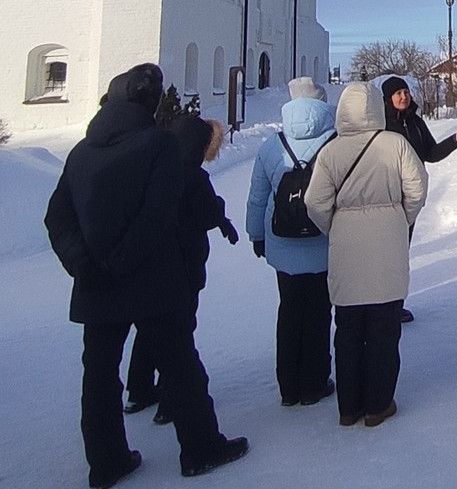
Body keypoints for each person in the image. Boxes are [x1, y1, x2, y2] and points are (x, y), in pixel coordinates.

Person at [44, 63, 247, 489]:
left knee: (99, 375)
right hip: (152, 280)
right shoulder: (157, 145)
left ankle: (106, 461)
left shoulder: (82, 152)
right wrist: (119, 263)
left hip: (96, 285)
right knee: (178, 365)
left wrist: (83, 263)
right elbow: (157, 213)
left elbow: (58, 216)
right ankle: (200, 448)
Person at [305, 81, 427, 428]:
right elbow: (416, 189)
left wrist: (336, 226)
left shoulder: (330, 151)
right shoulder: (395, 144)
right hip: (388, 237)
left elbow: (315, 203)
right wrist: (401, 219)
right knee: (384, 327)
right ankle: (378, 404)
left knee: (347, 327)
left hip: (345, 242)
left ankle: (349, 406)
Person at [126, 112, 238, 420]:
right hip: (184, 263)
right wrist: (220, 214)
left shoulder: (154, 169)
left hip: (152, 262)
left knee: (150, 326)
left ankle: (139, 389)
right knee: (179, 331)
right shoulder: (193, 176)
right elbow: (204, 214)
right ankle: (170, 402)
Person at [246, 77, 337, 407]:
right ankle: (314, 383)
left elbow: (258, 196)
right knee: (317, 312)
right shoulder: (335, 142)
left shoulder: (273, 145)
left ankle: (289, 386)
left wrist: (257, 234)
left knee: (288, 312)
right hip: (323, 241)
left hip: (282, 242)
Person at [381, 75, 457, 321]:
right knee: (384, 254)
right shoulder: (381, 124)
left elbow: (430, 153)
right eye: (398, 93)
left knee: (401, 254)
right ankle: (381, 306)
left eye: (406, 92)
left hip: (410, 199)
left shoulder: (416, 122)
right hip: (385, 197)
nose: (403, 97)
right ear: (388, 98)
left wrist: (455, 141)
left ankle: (395, 305)